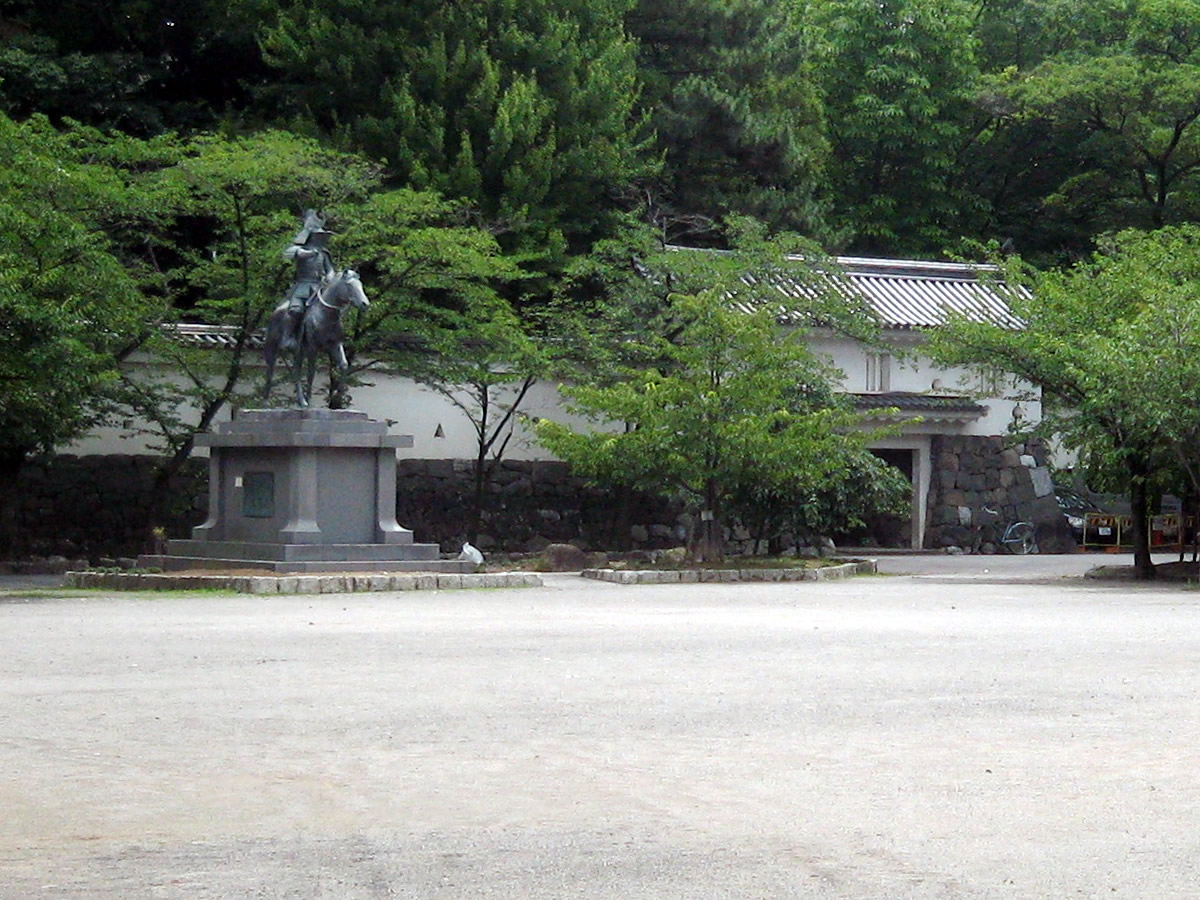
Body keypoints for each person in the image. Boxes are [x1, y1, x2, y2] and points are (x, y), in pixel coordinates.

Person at [280, 209, 334, 351]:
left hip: (319, 287)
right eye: (318, 235)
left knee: (331, 310)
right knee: (295, 310)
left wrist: (330, 277)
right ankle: (288, 336)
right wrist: (305, 253)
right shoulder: (301, 249)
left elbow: (330, 269)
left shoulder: (323, 253)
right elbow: (289, 254)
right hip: (303, 285)